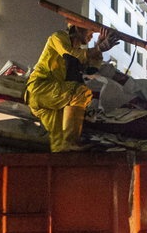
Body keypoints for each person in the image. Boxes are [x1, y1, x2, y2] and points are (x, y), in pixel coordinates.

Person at [26, 23, 120, 152]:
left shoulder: (80, 53)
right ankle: (71, 142)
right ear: (77, 28)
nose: (92, 35)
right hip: (41, 88)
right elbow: (71, 55)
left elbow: (91, 70)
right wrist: (98, 48)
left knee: (61, 145)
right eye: (90, 31)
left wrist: (99, 47)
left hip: (54, 98)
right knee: (81, 92)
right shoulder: (58, 37)